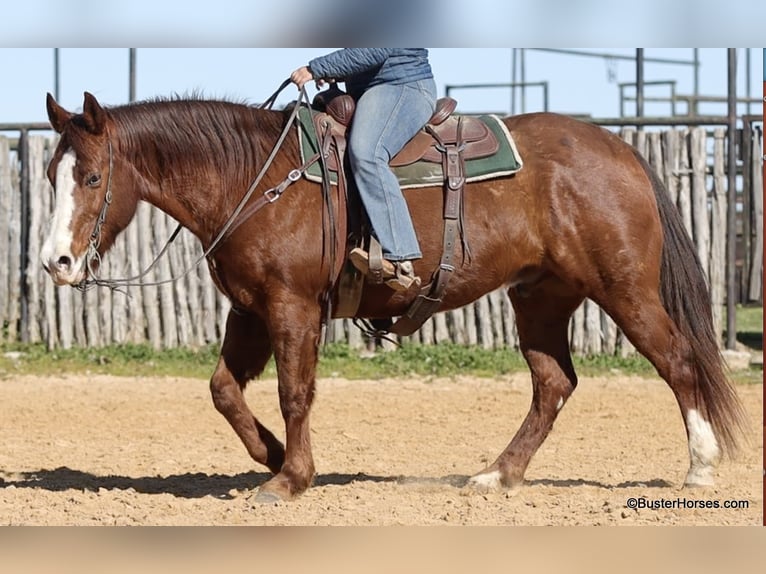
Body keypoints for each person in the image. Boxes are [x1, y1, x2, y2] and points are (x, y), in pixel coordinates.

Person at [290, 49, 437, 291]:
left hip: (402, 86)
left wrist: (317, 68)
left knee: (368, 152)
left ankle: (399, 256)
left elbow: (374, 50)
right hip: (367, 89)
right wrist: (338, 71)